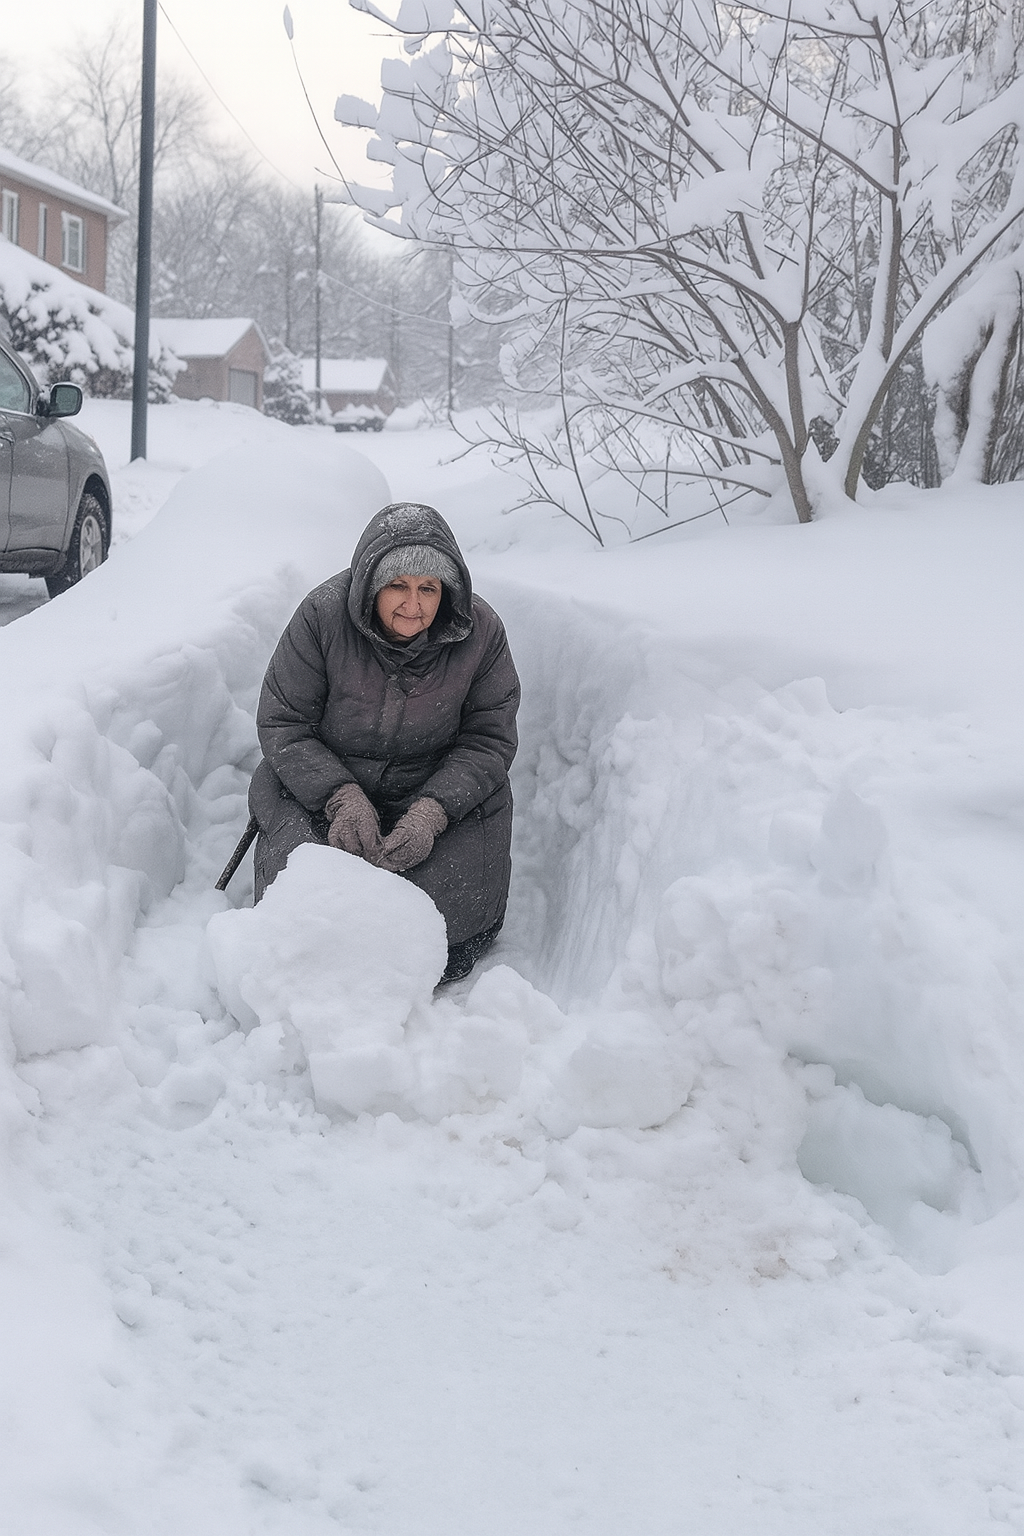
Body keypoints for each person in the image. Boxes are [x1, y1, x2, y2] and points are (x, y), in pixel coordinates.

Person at [248, 502, 521, 984]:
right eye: (397, 585)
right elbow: (284, 722)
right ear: (372, 584)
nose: (412, 605)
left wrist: (432, 812)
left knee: (446, 915)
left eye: (428, 589)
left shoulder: (482, 632)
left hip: (435, 786)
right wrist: (340, 797)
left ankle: (412, 950)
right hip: (326, 783)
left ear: (447, 591)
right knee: (310, 900)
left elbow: (488, 738)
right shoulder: (321, 616)